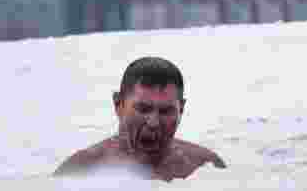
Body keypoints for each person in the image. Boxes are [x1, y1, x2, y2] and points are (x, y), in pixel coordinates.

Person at [54, 56, 226, 180]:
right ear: (118, 104)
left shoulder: (204, 166)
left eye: (166, 111)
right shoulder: (79, 171)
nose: (153, 122)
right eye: (143, 109)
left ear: (181, 109)